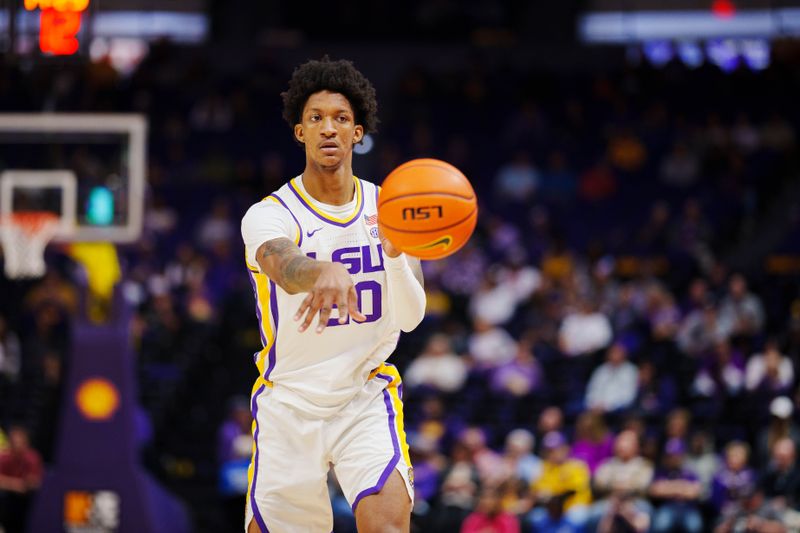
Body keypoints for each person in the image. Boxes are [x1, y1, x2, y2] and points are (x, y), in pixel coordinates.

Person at [240, 57, 426, 532]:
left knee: (387, 522)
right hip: (290, 401)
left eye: (341, 118)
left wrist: (400, 256)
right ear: (299, 132)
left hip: (363, 392)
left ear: (357, 133)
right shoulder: (270, 213)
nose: (329, 128)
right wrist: (319, 270)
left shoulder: (391, 205)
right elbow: (279, 262)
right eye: (316, 118)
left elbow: (410, 318)